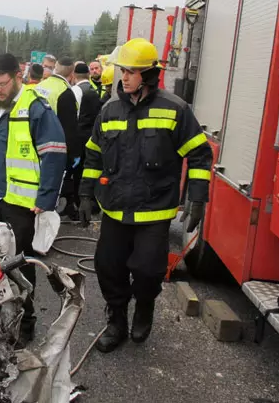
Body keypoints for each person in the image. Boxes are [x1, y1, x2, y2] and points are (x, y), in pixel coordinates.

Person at [78, 38, 212, 354]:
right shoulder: (109, 110)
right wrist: (85, 193)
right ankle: (117, 321)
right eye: (123, 71)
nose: (124, 77)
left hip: (154, 211)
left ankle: (145, 307)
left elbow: (199, 155)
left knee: (147, 271)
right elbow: (93, 154)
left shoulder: (176, 110)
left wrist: (197, 198)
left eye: (131, 72)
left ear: (149, 75)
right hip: (115, 209)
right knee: (108, 266)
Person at [0, 53, 67, 346]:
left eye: (2, 84)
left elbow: (54, 151)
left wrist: (47, 198)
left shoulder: (36, 108)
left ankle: (26, 322)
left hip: (23, 204)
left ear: (17, 76)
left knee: (21, 266)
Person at [36, 57, 80, 218]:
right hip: (54, 150)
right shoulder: (65, 93)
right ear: (72, 73)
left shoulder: (40, 86)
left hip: (34, 147)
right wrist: (72, 156)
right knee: (50, 191)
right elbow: (69, 129)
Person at [72, 62, 103, 214]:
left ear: (74, 75)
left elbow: (74, 116)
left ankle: (79, 203)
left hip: (79, 138)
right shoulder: (93, 91)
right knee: (90, 169)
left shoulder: (76, 91)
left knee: (78, 173)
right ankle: (92, 202)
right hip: (92, 137)